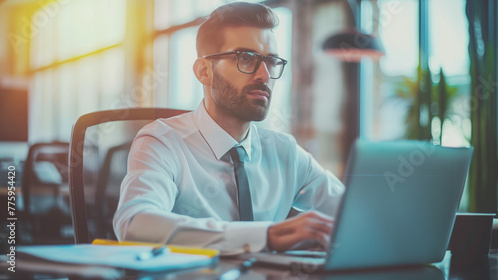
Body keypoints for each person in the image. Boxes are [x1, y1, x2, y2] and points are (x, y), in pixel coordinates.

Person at [113, 2, 344, 254]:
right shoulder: (162, 142)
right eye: (246, 58)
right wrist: (265, 236)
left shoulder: (284, 151)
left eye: (272, 61)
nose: (264, 75)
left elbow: (353, 211)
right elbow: (135, 224)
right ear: (204, 71)